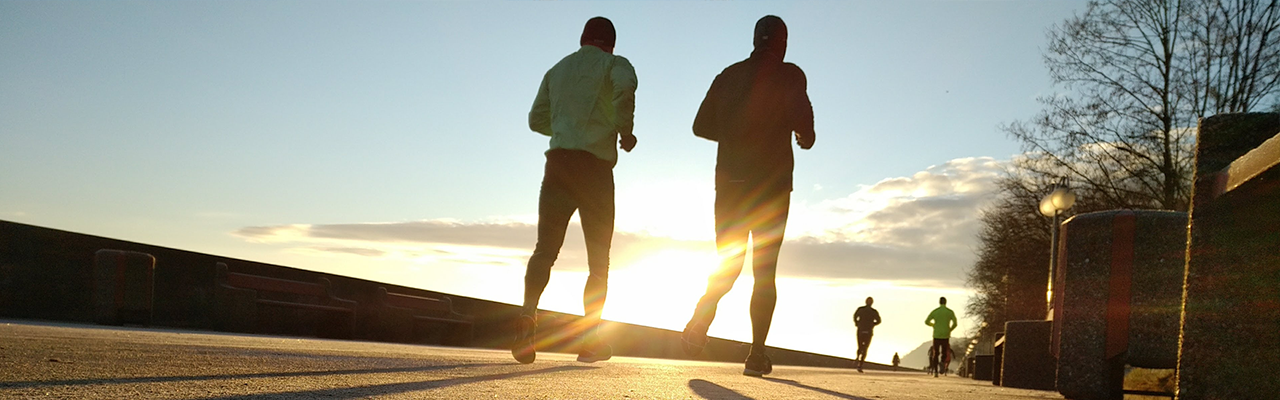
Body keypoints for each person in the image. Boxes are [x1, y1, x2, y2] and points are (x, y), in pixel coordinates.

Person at [680, 15, 816, 377]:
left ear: (755, 40)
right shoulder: (790, 75)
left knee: (729, 262)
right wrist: (804, 136)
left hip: (730, 186)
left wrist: (735, 135)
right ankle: (756, 354)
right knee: (764, 272)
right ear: (783, 44)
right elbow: (805, 125)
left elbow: (699, 126)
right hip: (771, 188)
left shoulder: (727, 75)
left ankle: (701, 316)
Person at [512, 16, 638, 365]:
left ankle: (527, 316)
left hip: (558, 165)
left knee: (545, 250)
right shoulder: (616, 65)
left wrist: (565, 126)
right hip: (595, 171)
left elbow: (536, 119)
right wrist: (624, 130)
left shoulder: (558, 69)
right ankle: (590, 341)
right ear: (611, 43)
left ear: (582, 39)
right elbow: (624, 90)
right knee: (599, 264)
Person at [924, 296, 957, 377]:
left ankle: (935, 372)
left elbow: (926, 321)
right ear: (945, 302)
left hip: (936, 335)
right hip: (946, 335)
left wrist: (933, 325)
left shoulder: (935, 312)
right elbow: (955, 323)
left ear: (939, 302)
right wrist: (950, 329)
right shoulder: (950, 312)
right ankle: (942, 362)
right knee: (944, 352)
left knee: (936, 354)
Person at [853, 297, 881, 372]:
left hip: (861, 329)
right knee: (865, 348)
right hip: (869, 330)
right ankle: (860, 364)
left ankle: (857, 357)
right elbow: (879, 321)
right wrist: (873, 324)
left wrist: (857, 323)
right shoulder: (874, 311)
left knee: (860, 346)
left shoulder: (861, 309)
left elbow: (855, 316)